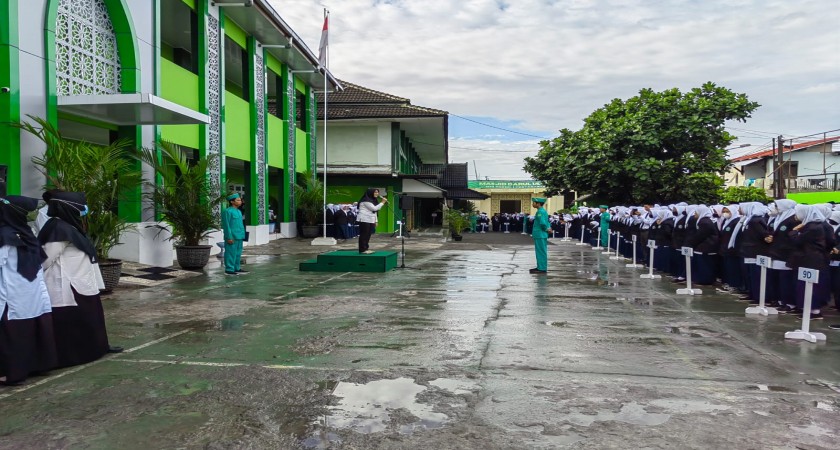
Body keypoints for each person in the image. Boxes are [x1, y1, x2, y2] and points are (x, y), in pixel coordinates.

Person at [38, 191, 120, 368]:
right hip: (67, 284)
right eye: (81, 207)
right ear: (68, 208)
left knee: (90, 317)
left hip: (82, 282)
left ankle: (97, 349)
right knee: (72, 323)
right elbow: (45, 259)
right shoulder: (57, 228)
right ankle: (73, 357)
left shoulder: (69, 225)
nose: (84, 210)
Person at [0, 195, 57, 385]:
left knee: (13, 336)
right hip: (25, 293)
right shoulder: (22, 232)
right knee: (24, 332)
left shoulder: (7, 235)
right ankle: (31, 366)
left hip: (15, 294)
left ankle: (12, 372)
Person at [222, 193, 248, 275]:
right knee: (230, 253)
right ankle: (229, 269)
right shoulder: (227, 211)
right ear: (232, 202)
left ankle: (237, 268)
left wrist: (244, 235)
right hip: (232, 236)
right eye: (238, 200)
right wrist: (229, 237)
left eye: (240, 200)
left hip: (239, 236)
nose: (240, 201)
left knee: (238, 253)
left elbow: (240, 224)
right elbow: (226, 225)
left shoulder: (239, 212)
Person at [357, 188, 387, 254]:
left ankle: (366, 248)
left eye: (377, 192)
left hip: (370, 220)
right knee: (364, 235)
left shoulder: (373, 200)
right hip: (364, 219)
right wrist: (382, 202)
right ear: (370, 193)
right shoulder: (366, 201)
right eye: (375, 192)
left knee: (368, 235)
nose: (377, 193)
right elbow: (374, 208)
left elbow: (375, 212)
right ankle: (362, 249)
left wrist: (376, 221)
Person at [530, 197, 550, 274]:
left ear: (538, 204)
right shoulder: (542, 211)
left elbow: (543, 223)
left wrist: (546, 229)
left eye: (534, 203)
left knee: (541, 251)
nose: (532, 204)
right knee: (540, 251)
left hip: (540, 234)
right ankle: (540, 267)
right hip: (541, 234)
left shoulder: (540, 212)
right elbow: (547, 222)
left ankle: (542, 268)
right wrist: (548, 228)